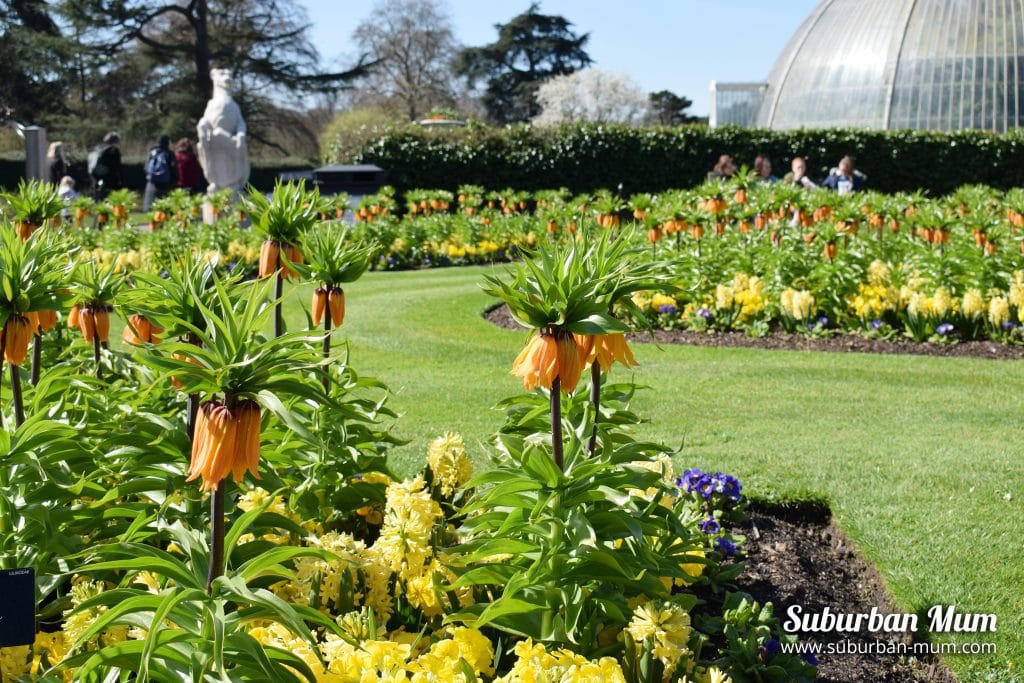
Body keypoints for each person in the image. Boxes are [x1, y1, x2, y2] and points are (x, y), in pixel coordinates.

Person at [196, 68, 249, 194]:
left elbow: (240, 123)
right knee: (202, 147)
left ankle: (234, 182)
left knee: (239, 151)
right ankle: (214, 181)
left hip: (230, 143)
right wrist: (202, 126)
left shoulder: (233, 105)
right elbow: (206, 120)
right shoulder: (212, 104)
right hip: (215, 144)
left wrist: (241, 134)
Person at [142, 134, 178, 210]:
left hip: (152, 183)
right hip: (166, 183)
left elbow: (146, 168)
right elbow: (174, 167)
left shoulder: (152, 152)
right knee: (165, 208)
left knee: (152, 207)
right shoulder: (169, 153)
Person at [88, 132, 123, 200]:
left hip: (94, 172)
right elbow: (117, 166)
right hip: (108, 176)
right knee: (109, 193)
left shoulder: (97, 147)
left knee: (96, 190)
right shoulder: (113, 150)